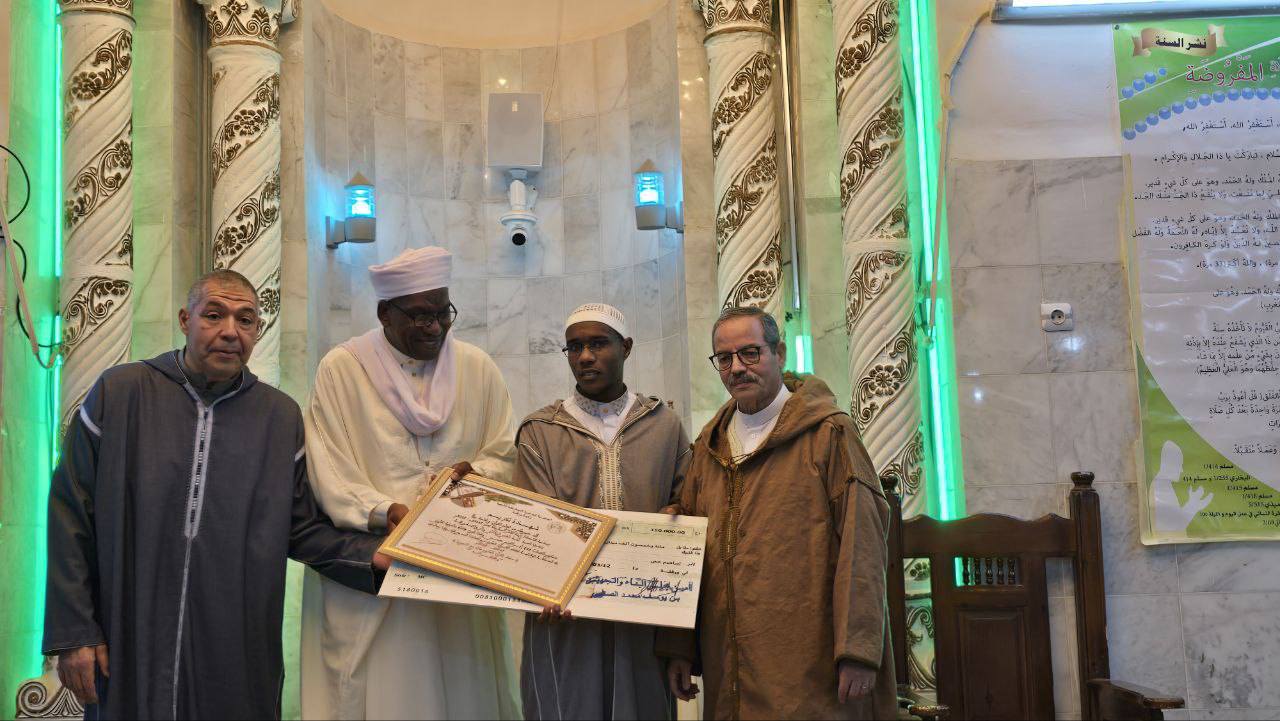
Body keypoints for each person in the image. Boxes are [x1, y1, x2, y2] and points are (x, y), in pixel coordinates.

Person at [43, 269, 392, 720]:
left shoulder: (278, 418)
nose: (230, 331)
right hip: (130, 627)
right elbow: (71, 513)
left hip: (234, 637)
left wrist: (371, 557)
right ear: (184, 320)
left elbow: (300, 527)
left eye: (245, 320)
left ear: (257, 331)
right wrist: (75, 633)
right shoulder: (121, 393)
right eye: (214, 315)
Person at [299, 246, 520, 720]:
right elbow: (329, 467)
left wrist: (477, 478)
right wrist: (389, 512)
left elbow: (504, 453)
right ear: (385, 313)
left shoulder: (477, 367)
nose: (434, 327)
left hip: (459, 567)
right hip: (381, 565)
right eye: (420, 315)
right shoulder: (342, 369)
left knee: (465, 688)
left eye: (443, 313)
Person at [656, 306, 896, 720]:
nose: (737, 367)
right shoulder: (710, 447)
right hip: (729, 659)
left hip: (809, 658)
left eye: (750, 353)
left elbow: (863, 545)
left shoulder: (829, 434)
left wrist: (858, 650)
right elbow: (686, 553)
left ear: (779, 353)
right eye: (725, 358)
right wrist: (679, 646)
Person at [510, 303, 691, 720]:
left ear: (625, 347)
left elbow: (689, 510)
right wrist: (546, 584)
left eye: (597, 344)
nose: (585, 357)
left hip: (644, 617)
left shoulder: (663, 425)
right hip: (566, 618)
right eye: (574, 347)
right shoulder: (541, 431)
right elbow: (533, 525)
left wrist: (678, 513)